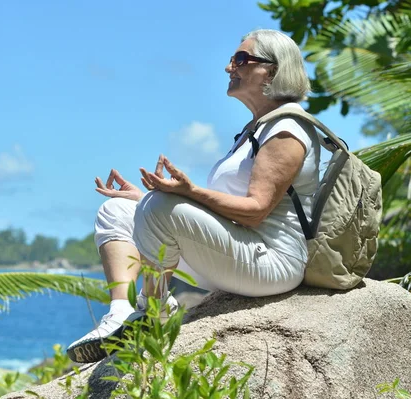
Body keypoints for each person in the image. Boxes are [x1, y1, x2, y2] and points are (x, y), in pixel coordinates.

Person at [67, 29, 320, 364]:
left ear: (272, 71)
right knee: (115, 210)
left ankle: (151, 318)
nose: (230, 67)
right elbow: (220, 214)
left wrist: (187, 193)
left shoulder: (288, 130)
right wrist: (142, 201)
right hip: (238, 254)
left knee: (159, 206)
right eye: (232, 60)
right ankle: (120, 312)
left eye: (241, 60)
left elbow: (256, 211)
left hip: (271, 264)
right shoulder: (254, 130)